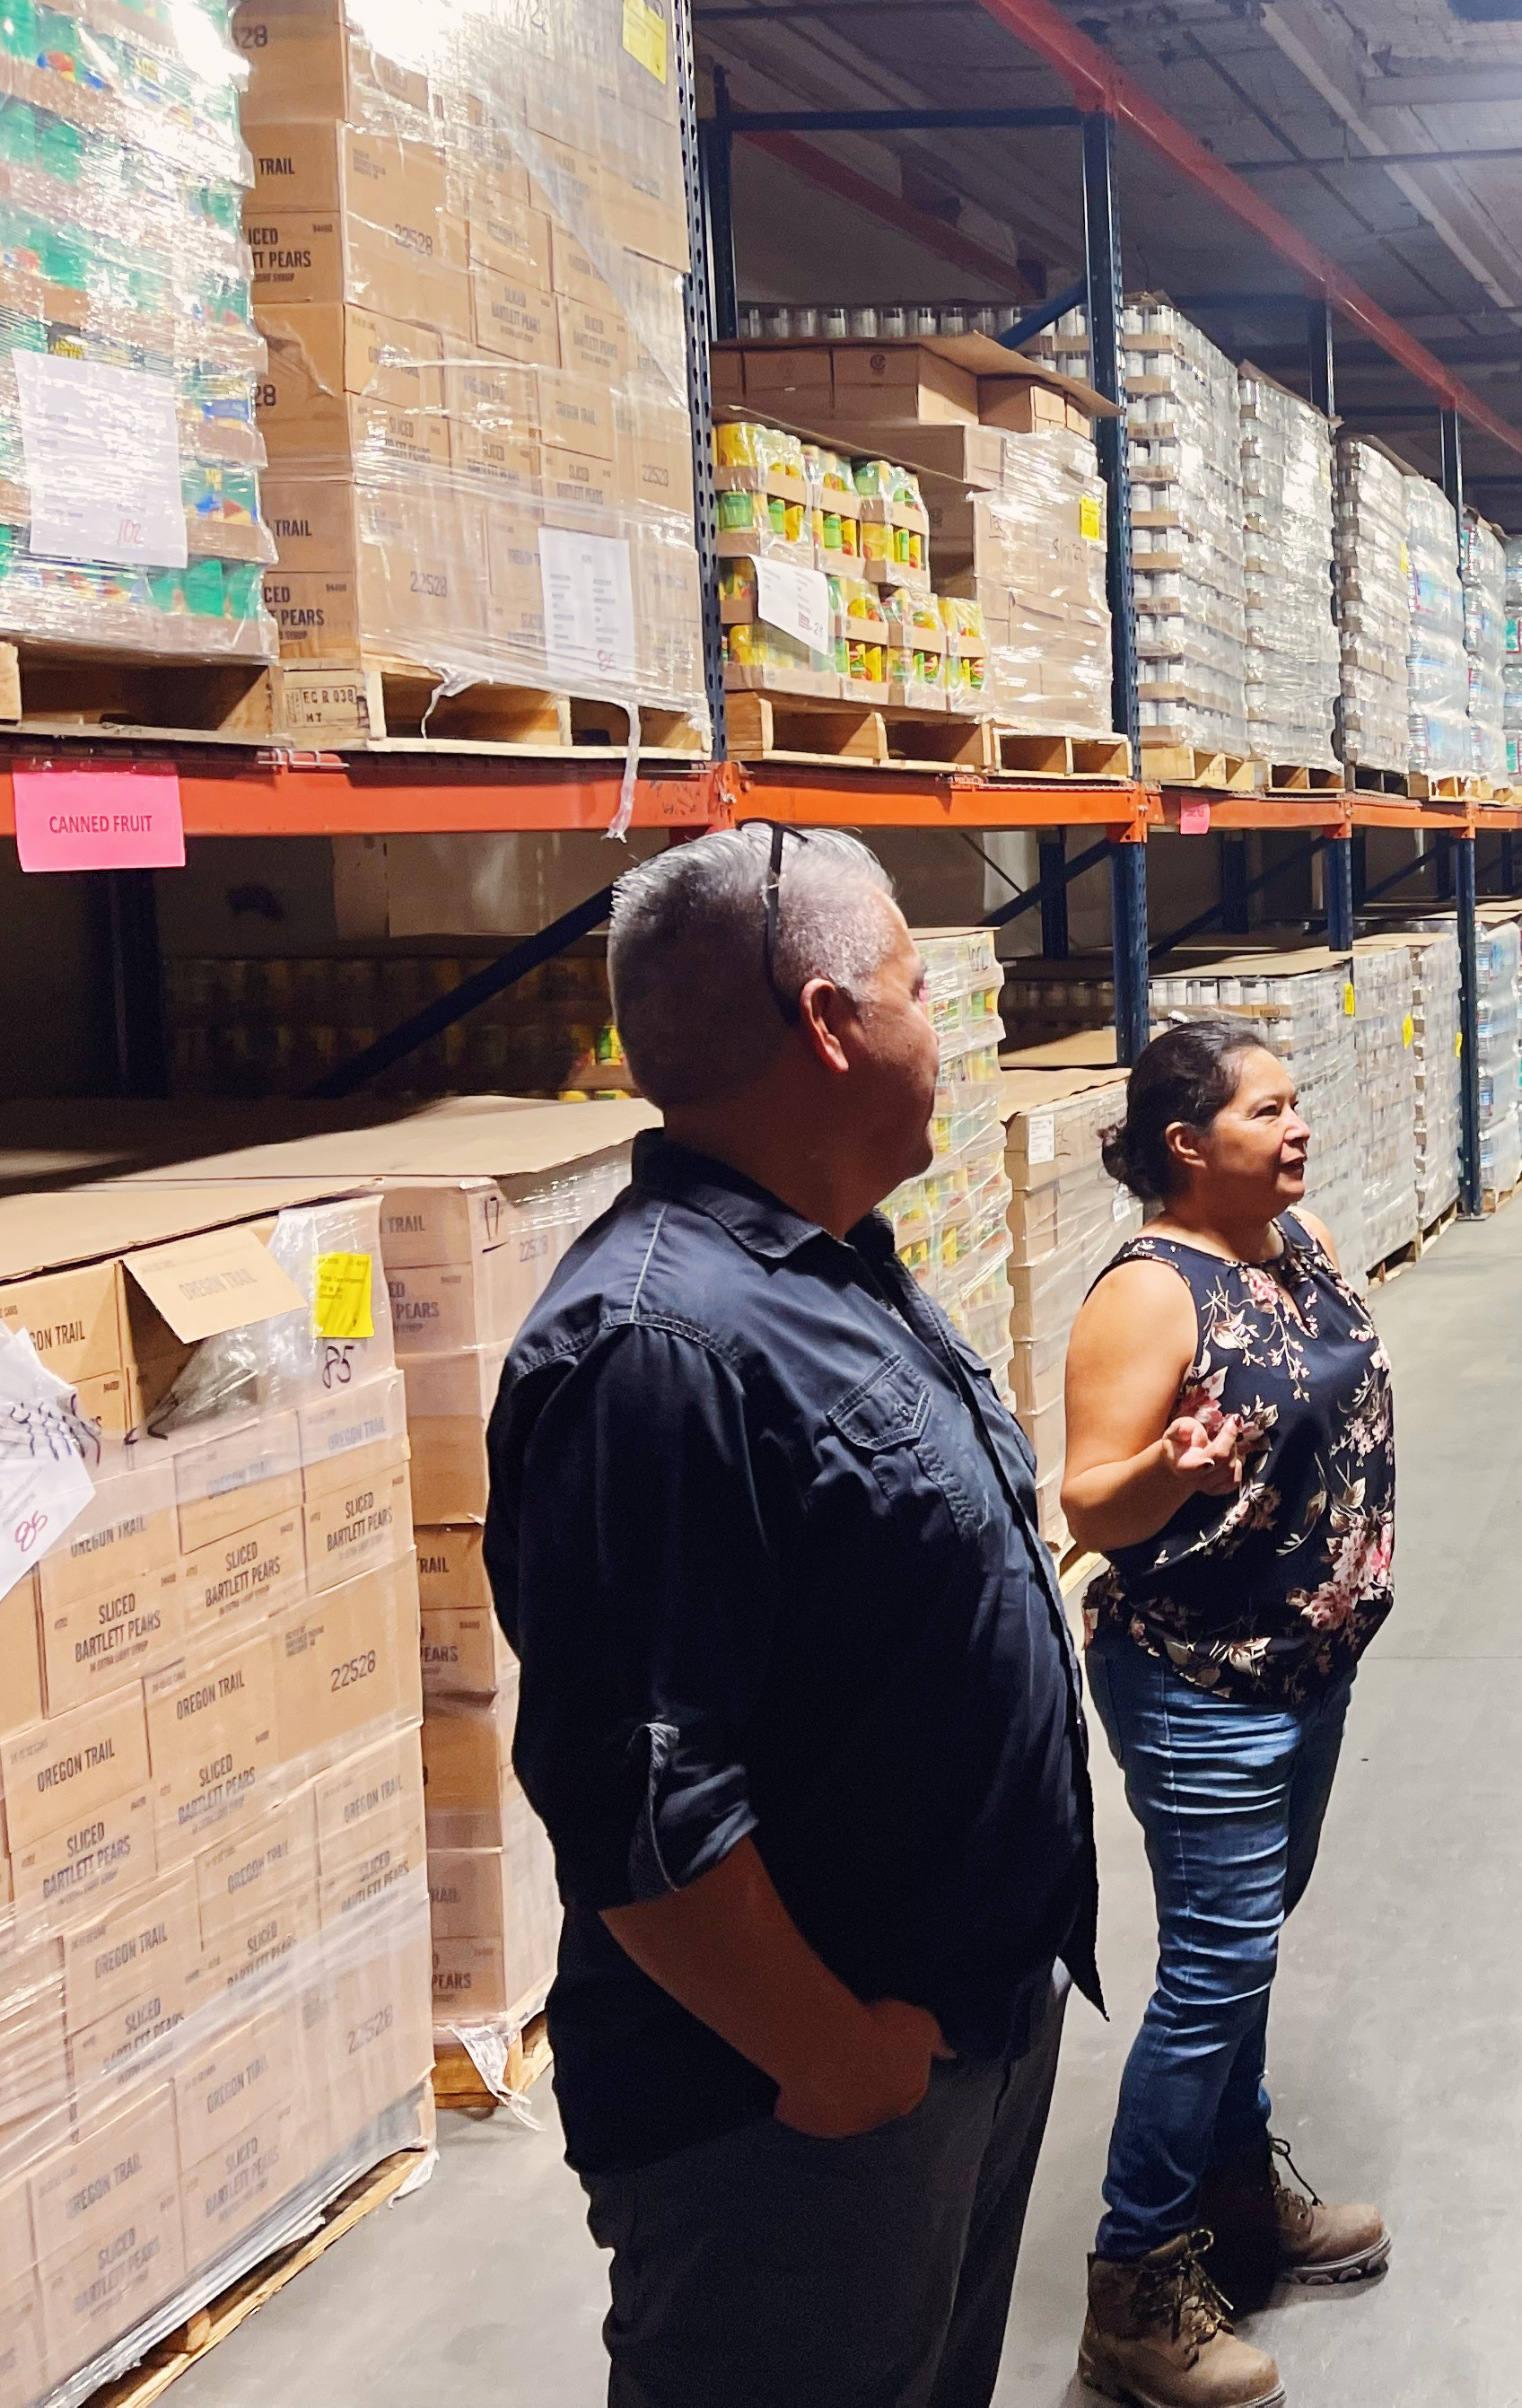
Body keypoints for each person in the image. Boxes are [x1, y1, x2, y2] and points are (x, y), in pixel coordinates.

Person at [487, 825, 1098, 2408]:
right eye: (914, 989)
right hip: (795, 2114)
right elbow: (635, 1789)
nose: (939, 1031)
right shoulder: (656, 1352)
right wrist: (833, 2056)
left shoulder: (832, 1271)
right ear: (828, 1022)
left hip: (948, 2034)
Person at [1062, 1018, 1399, 2408]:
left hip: (1301, 1671)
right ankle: (1133, 2289)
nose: (1296, 1127)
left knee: (1242, 1952)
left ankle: (1239, 2212)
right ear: (1187, 1145)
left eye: (1297, 1102)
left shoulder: (1290, 1238)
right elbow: (1088, 1502)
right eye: (1267, 1112)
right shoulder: (1148, 1290)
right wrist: (1177, 1476)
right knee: (1211, 1970)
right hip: (1202, 1680)